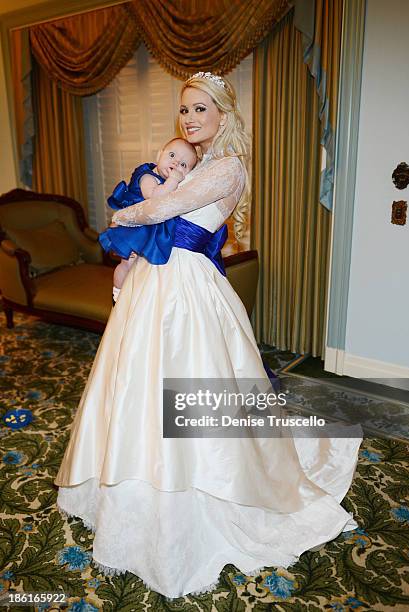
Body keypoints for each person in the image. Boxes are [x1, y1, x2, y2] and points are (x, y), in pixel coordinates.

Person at [54, 72, 363, 600]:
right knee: (136, 389)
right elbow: (157, 213)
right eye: (185, 110)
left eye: (201, 109)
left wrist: (121, 212)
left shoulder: (227, 168)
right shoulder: (193, 162)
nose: (191, 118)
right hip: (154, 283)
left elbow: (158, 210)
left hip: (190, 291)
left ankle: (205, 497)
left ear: (224, 114)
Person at [98, 138, 198, 303]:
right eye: (172, 155)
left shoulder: (169, 182)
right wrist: (174, 180)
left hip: (148, 228)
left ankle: (135, 295)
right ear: (160, 155)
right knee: (127, 263)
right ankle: (117, 294)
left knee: (142, 268)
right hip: (133, 227)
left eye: (183, 165)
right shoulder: (148, 176)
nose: (175, 163)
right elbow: (154, 198)